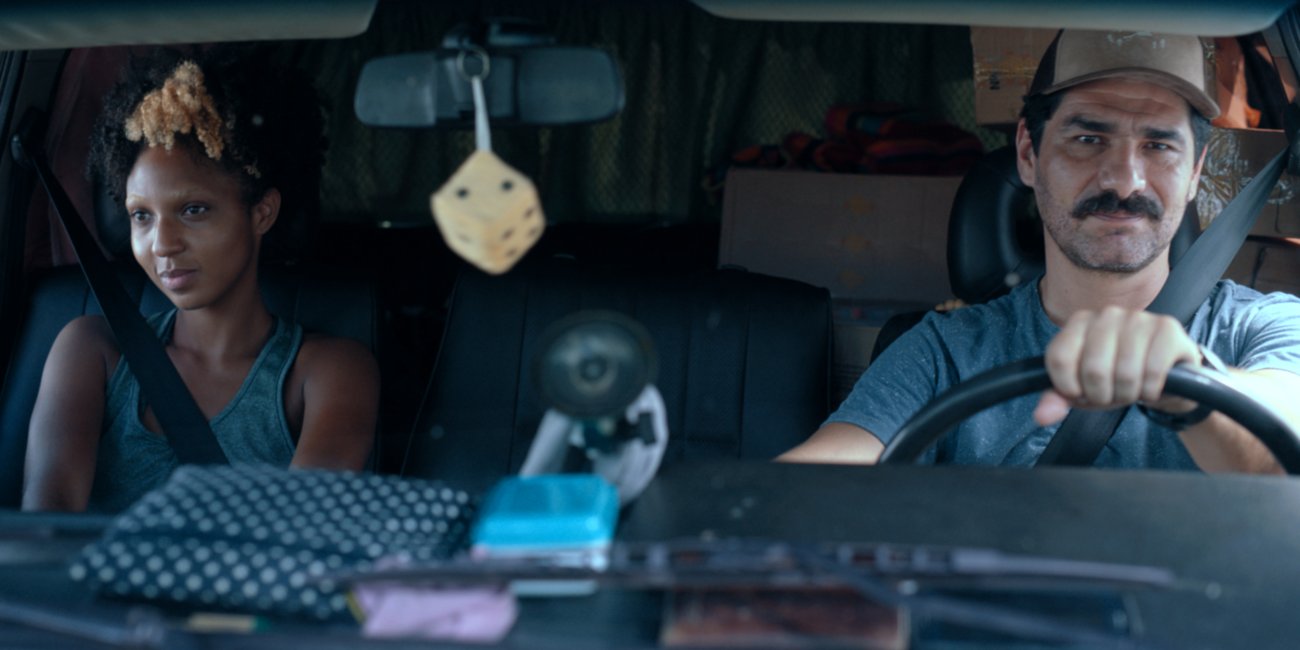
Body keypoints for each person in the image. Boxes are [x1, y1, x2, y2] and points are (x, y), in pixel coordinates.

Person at [781, 30, 1300, 474]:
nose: (1124, 179)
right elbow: (815, 482)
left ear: (1194, 174)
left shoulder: (1263, 326)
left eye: (1159, 146)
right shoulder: (945, 351)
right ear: (1029, 154)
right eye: (1089, 139)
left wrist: (1190, 383)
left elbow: (1288, 432)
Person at [23, 48, 380, 512]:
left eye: (193, 210)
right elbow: (48, 529)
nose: (162, 244)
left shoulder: (323, 372)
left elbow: (301, 533)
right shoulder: (92, 350)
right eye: (141, 216)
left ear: (262, 213)